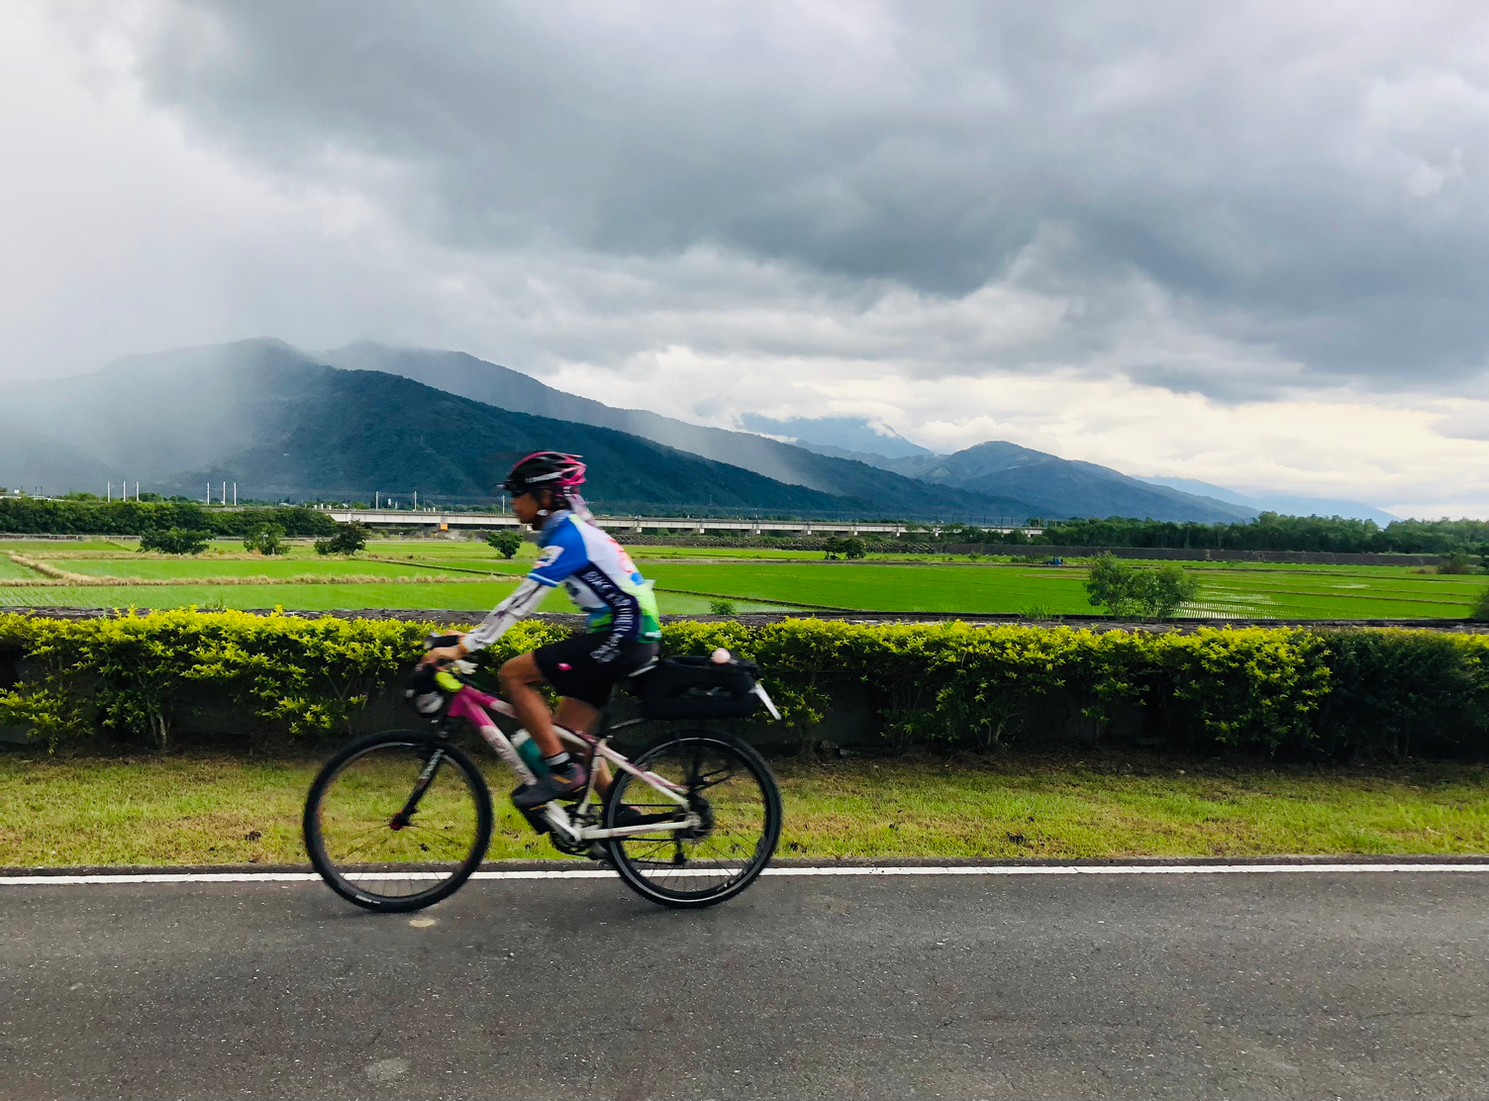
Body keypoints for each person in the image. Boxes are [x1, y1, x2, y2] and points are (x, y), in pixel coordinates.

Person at [423, 451, 661, 810]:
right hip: (628, 635)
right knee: (566, 735)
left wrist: (467, 646)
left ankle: (563, 774)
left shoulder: (569, 538)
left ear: (546, 498)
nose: (513, 504)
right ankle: (618, 813)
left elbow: (521, 603)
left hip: (624, 634)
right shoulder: (572, 532)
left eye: (518, 495)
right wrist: (467, 640)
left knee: (514, 675)